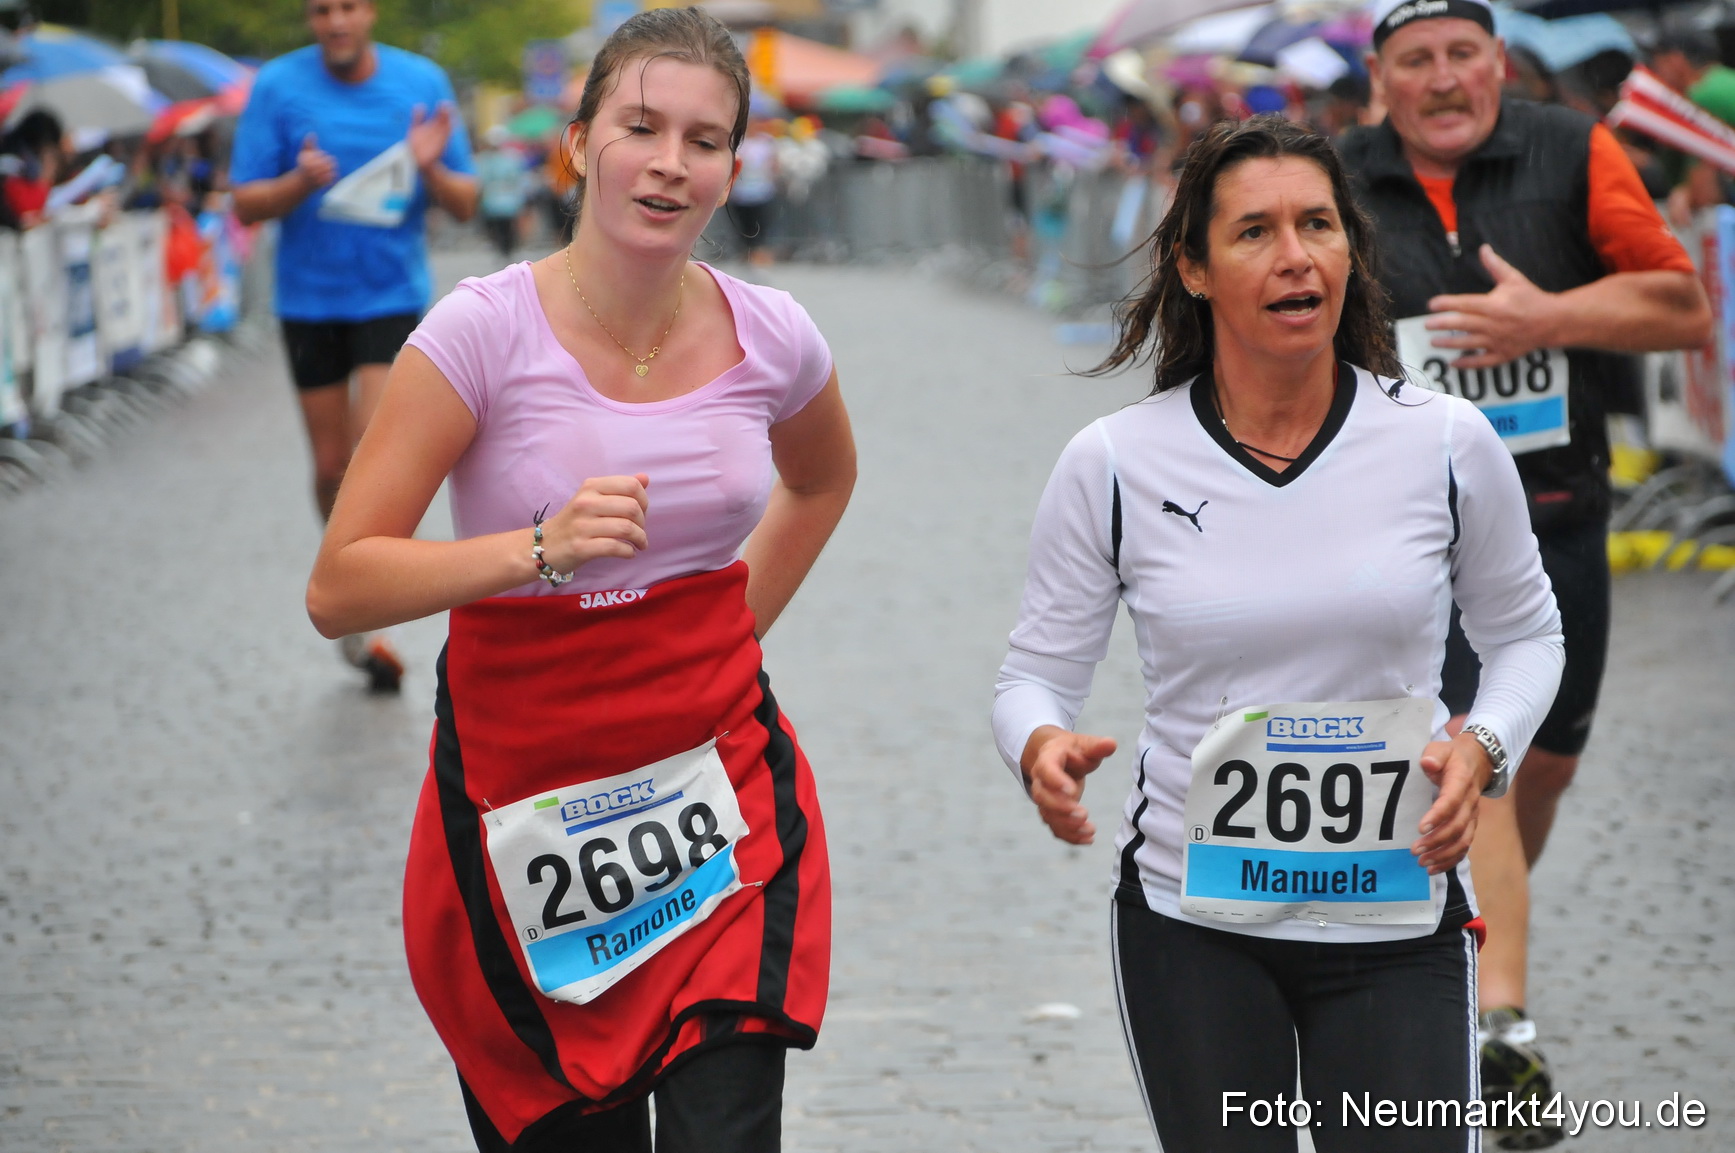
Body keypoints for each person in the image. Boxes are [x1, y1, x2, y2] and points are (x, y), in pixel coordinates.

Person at [304, 8, 855, 1151]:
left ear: (734, 168)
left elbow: (822, 482)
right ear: (576, 143)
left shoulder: (776, 335)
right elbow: (340, 586)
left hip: (717, 801)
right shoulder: (480, 332)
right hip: (523, 803)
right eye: (640, 126)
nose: (669, 162)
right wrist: (535, 551)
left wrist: (725, 632)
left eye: (703, 140)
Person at [993, 115, 1565, 1152]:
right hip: (1192, 920)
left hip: (1394, 914)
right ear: (1194, 268)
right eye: (1253, 231)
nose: (1294, 255)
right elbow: (1033, 674)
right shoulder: (1115, 462)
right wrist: (1040, 745)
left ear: (1352, 248)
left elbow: (1528, 636)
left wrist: (1480, 746)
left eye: (1317, 224)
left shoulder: (1442, 441)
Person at [1341, 1, 1712, 1144]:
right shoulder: (1336, 177)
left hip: (1554, 512)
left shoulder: (1571, 151)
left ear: (1497, 65)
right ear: (1381, 81)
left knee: (1542, 763)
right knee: (1477, 754)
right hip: (1407, 531)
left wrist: (1544, 318)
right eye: (1417, 62)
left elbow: (1680, 306)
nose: (1444, 80)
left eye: (1463, 56)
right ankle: (1495, 1026)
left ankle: (1459, 921)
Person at [231, 0, 479, 691]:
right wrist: (295, 185)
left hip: (388, 296)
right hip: (308, 300)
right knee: (330, 464)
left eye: (346, 7)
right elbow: (244, 203)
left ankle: (369, 607)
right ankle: (343, 565)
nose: (335, 22)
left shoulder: (420, 82)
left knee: (371, 450)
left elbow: (465, 201)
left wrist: (429, 168)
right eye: (319, 11)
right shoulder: (278, 87)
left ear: (368, 12)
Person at [474, 124, 530, 260]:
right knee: (495, 225)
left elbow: (519, 178)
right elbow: (481, 178)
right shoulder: (484, 159)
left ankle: (508, 248)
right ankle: (500, 247)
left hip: (508, 197)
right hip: (493, 198)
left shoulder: (512, 157)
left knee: (508, 225)